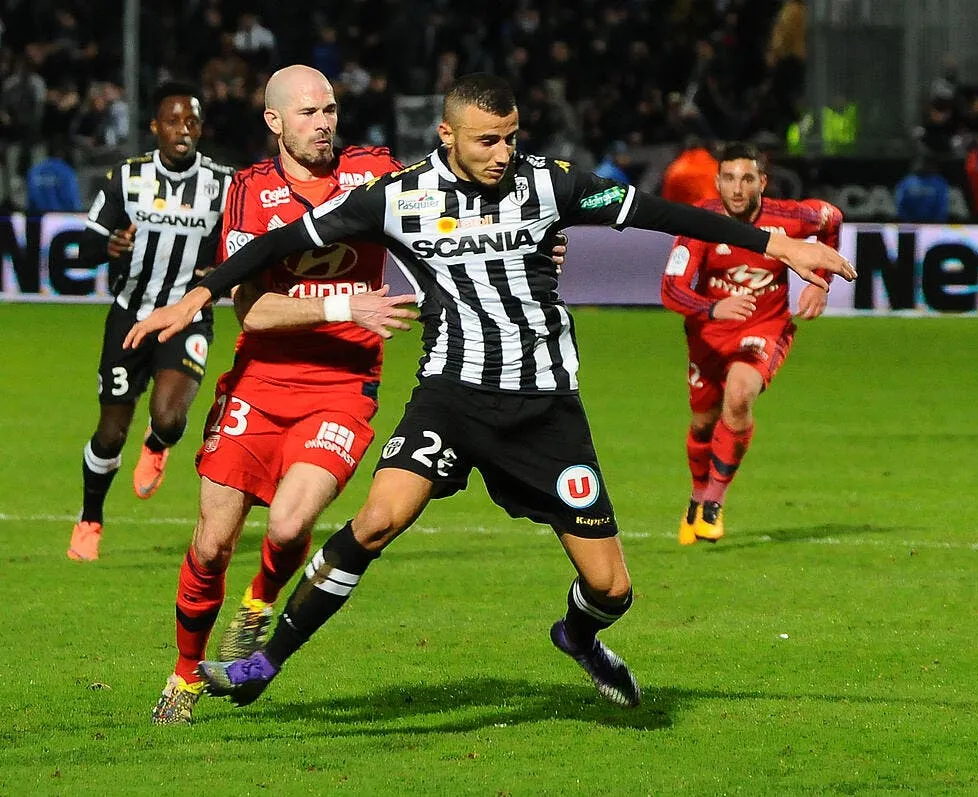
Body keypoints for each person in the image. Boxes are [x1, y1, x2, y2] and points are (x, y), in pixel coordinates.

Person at [127, 74, 854, 711]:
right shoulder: (399, 196)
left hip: (544, 409)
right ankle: (261, 663)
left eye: (509, 138)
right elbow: (280, 242)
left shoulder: (552, 182)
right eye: (485, 141)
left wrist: (779, 246)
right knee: (378, 518)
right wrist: (198, 295)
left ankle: (577, 636)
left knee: (612, 589)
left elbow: (660, 211)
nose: (502, 154)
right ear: (447, 134)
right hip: (450, 395)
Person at [147, 65, 417, 725]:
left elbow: (448, 211)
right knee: (212, 542)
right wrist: (342, 301)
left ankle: (260, 598)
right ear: (274, 122)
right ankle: (183, 677)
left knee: (293, 523)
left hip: (343, 385)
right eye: (308, 113)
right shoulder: (249, 191)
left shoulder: (374, 169)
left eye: (330, 109)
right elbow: (255, 311)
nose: (324, 123)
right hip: (260, 381)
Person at [67, 81, 236, 562]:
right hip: (129, 318)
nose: (183, 130)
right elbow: (84, 248)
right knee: (110, 434)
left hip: (187, 317)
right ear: (155, 128)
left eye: (192, 121)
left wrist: (221, 268)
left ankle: (159, 444)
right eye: (174, 121)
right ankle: (90, 518)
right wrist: (110, 247)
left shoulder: (224, 184)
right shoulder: (127, 177)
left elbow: (243, 243)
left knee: (169, 416)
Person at [661, 143, 842, 545]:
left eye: (747, 179)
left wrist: (820, 284)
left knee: (740, 396)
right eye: (728, 178)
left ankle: (712, 503)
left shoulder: (788, 217)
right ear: (717, 182)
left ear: (763, 182)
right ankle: (696, 496)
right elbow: (671, 289)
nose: (737, 188)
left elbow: (832, 217)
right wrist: (712, 309)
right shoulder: (700, 222)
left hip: (765, 326)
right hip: (709, 335)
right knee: (703, 422)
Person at [894, 155, 950, 223]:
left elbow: (942, 206)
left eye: (927, 163)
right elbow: (899, 204)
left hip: (933, 224)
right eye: (920, 163)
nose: (923, 165)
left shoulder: (939, 182)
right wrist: (906, 220)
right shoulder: (906, 181)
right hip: (909, 223)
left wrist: (937, 222)